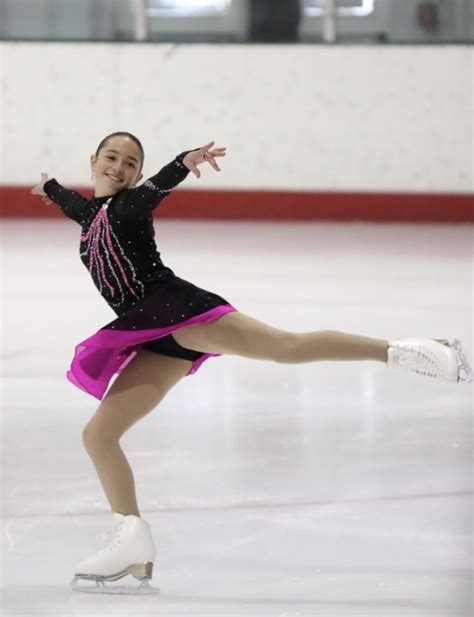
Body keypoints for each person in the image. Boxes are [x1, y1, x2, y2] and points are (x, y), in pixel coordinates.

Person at [31, 132, 472, 594]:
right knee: (99, 435)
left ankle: (414, 352)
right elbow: (73, 205)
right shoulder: (91, 214)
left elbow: (158, 186)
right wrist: (50, 188)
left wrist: (184, 161)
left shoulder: (130, 207)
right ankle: (132, 537)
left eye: (130, 163)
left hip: (180, 311)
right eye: (111, 158)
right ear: (95, 161)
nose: (118, 167)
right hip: (156, 335)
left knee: (286, 347)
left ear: (138, 174)